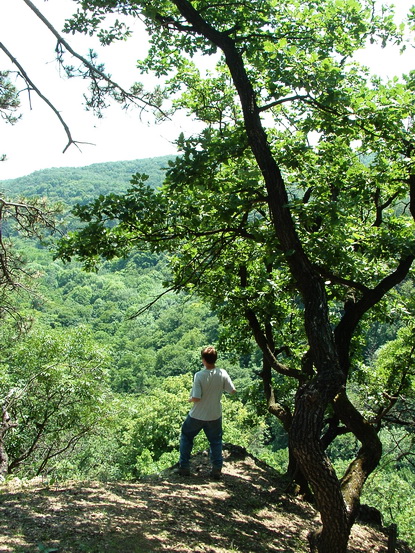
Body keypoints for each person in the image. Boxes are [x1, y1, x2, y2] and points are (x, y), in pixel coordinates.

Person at [178, 346, 236, 478]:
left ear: (203, 360)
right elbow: (232, 391)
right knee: (215, 441)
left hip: (197, 415)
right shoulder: (222, 373)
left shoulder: (199, 375)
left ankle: (184, 467)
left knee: (186, 436)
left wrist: (189, 399)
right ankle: (216, 469)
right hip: (215, 415)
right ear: (215, 359)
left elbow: (197, 398)